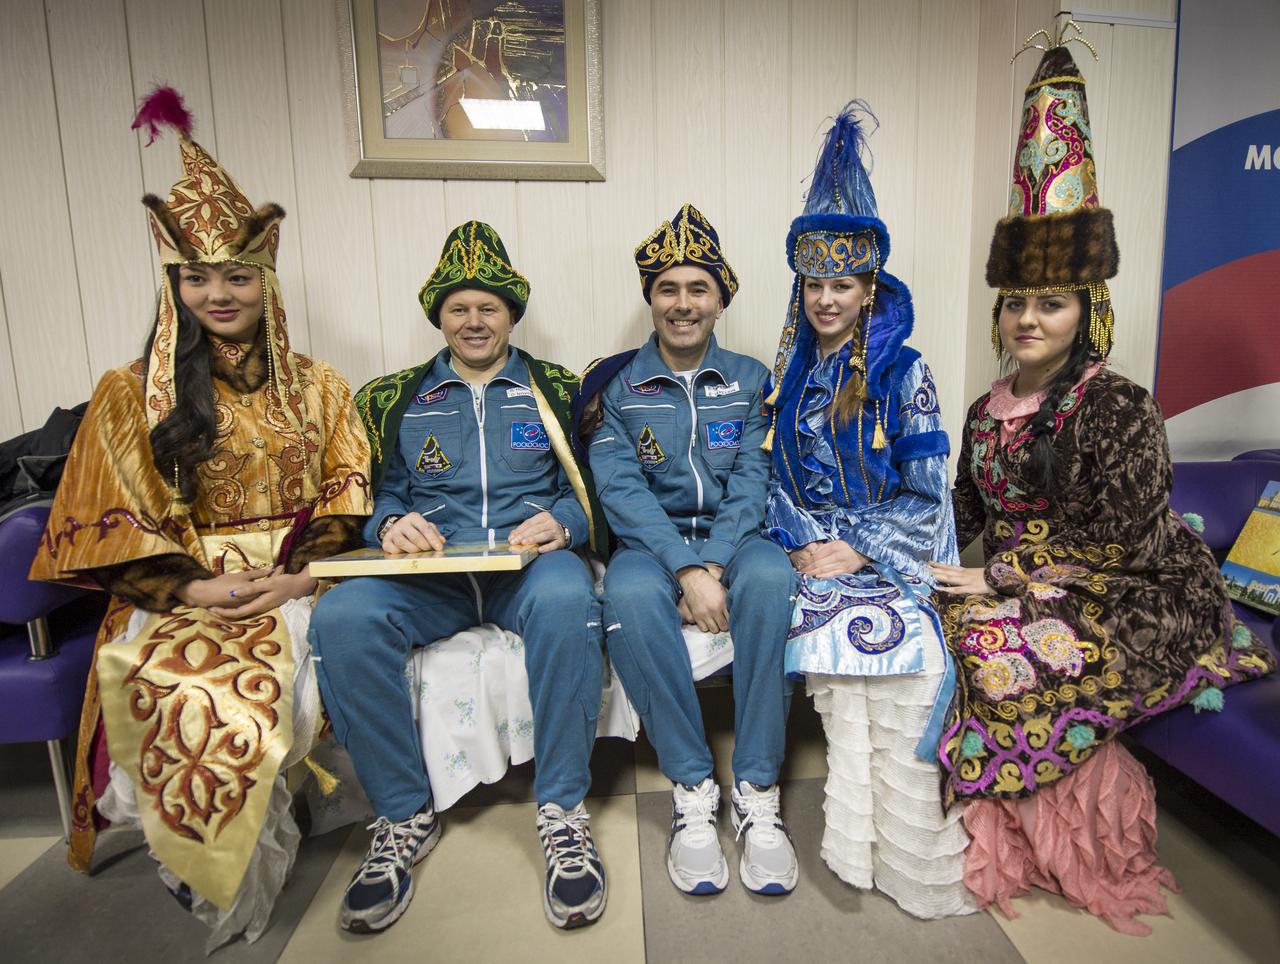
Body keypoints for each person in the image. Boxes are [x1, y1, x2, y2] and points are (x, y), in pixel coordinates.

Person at [928, 38, 1276, 935]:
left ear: (1087, 312)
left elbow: (1122, 539)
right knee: (951, 622)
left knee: (1004, 655)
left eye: (1051, 303)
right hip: (1035, 580)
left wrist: (999, 579)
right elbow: (961, 512)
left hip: (1137, 591)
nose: (1028, 319)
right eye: (1016, 302)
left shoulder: (1116, 402)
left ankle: (1075, 848)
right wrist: (903, 543)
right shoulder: (983, 407)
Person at [28, 88, 372, 949]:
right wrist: (189, 588)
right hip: (187, 589)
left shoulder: (324, 386)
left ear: (267, 278)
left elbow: (348, 488)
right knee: (189, 690)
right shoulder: (125, 393)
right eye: (198, 276)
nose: (219, 292)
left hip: (296, 576)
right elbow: (108, 514)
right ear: (173, 281)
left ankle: (275, 831)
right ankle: (203, 867)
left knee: (297, 682)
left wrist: (303, 575)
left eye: (237, 274)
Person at [308, 221, 610, 933]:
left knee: (571, 596)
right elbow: (376, 494)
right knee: (341, 618)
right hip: (433, 576)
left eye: (489, 308)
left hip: (526, 570)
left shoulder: (560, 389)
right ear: (439, 317)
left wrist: (565, 522)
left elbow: (593, 487)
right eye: (458, 309)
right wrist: (386, 526)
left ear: (511, 314)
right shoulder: (391, 397)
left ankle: (563, 809)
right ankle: (402, 815)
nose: (474, 321)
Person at [758, 103, 975, 919]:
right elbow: (776, 485)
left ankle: (911, 860)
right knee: (836, 670)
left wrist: (858, 549)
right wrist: (813, 544)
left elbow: (930, 498)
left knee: (908, 669)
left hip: (893, 559)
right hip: (809, 557)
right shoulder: (786, 381)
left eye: (841, 283)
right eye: (813, 282)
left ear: (868, 286)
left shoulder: (905, 373)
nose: (824, 298)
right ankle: (856, 851)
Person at [579, 204, 798, 896]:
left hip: (736, 539)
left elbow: (755, 478)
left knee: (769, 577)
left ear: (721, 298)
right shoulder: (616, 385)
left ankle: (758, 791)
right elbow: (621, 493)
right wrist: (683, 568)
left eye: (697, 289)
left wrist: (715, 563)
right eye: (668, 289)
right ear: (650, 298)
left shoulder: (753, 377)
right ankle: (693, 785)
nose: (682, 304)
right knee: (628, 590)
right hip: (652, 543)